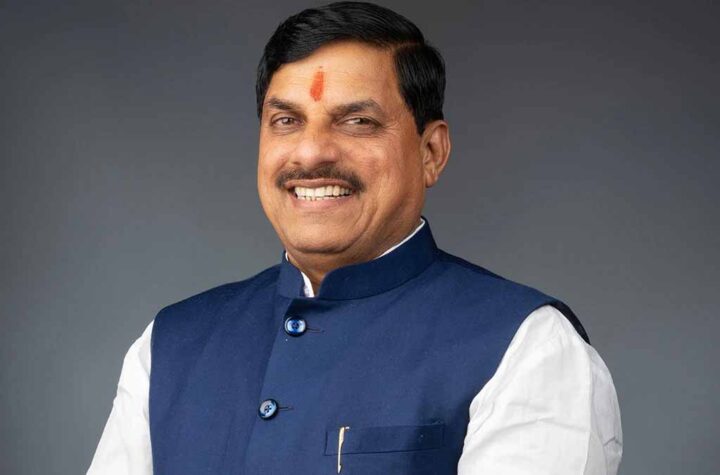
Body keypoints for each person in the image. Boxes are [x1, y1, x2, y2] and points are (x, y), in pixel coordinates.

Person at [87, 2, 622, 474]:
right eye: (286, 121)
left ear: (431, 153)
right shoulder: (170, 345)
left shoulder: (527, 347)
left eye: (358, 121)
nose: (311, 152)